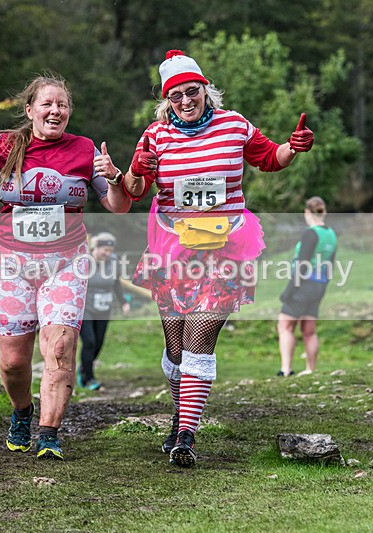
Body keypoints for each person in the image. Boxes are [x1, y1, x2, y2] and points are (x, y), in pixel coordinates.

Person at [122, 50, 314, 467]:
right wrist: (136, 169)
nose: (186, 101)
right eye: (176, 96)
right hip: (172, 249)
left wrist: (293, 148)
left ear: (205, 90)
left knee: (200, 337)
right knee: (175, 347)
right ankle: (179, 417)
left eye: (192, 91)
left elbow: (270, 158)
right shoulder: (155, 135)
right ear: (167, 100)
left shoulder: (233, 124)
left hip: (225, 249)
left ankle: (186, 436)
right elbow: (134, 190)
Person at [0, 74, 131, 461]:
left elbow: (119, 205)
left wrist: (114, 177)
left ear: (69, 111)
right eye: (47, 104)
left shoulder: (84, 149)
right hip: (12, 263)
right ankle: (22, 412)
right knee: (13, 362)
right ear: (30, 110)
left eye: (62, 105)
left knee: (59, 348)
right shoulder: (6, 145)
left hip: (66, 263)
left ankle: (49, 432)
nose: (55, 111)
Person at [277, 196, 337, 377]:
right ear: (324, 212)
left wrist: (289, 291)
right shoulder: (331, 234)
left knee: (285, 325)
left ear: (307, 212)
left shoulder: (311, 234)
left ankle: (285, 369)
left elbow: (302, 265)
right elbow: (330, 265)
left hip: (303, 285)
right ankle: (310, 369)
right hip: (319, 285)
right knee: (309, 330)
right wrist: (323, 287)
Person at [78, 231, 130, 390]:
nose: (107, 254)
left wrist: (123, 302)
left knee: (98, 343)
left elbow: (116, 283)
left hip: (104, 309)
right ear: (96, 247)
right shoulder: (85, 262)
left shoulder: (113, 261)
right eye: (105, 250)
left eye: (110, 251)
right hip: (86, 308)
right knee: (89, 341)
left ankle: (84, 367)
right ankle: (89, 378)